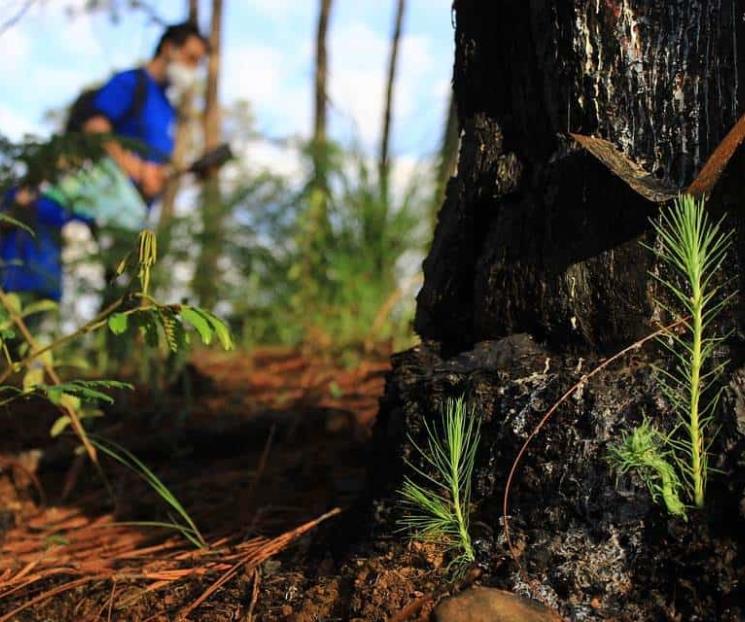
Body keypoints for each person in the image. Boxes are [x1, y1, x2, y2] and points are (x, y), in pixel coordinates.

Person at [0, 21, 209, 303]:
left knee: (120, 290)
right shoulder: (131, 84)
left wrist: (165, 177)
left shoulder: (167, 109)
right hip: (82, 205)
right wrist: (134, 168)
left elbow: (154, 169)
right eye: (191, 58)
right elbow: (96, 128)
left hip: (125, 218)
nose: (193, 69)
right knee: (38, 282)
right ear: (170, 48)